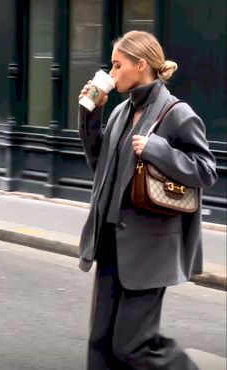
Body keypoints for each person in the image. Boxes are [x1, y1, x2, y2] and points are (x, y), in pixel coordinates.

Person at [78, 30, 217, 370]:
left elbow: (206, 170)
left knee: (135, 345)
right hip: (111, 242)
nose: (112, 74)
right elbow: (100, 165)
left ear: (141, 65)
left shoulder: (176, 113)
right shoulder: (122, 111)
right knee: (101, 346)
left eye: (117, 65)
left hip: (151, 247)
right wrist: (91, 115)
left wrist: (158, 149)